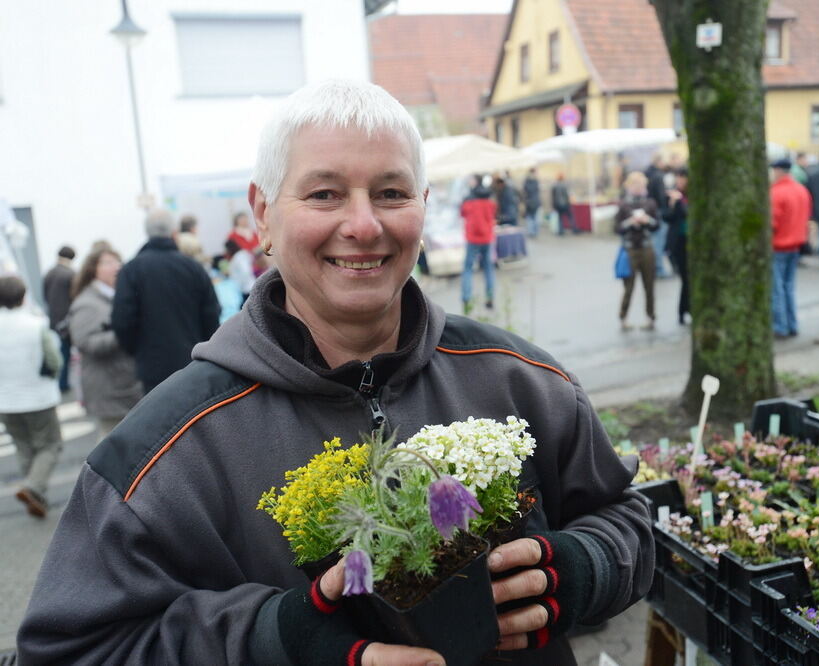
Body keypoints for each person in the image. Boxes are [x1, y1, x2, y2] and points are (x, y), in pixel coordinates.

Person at [19, 79, 652, 666]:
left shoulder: (518, 379)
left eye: (391, 193)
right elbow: (72, 648)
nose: (363, 225)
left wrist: (583, 569)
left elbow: (630, 523)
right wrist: (278, 637)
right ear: (263, 214)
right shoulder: (165, 452)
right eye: (324, 194)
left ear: (423, 210)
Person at [111, 209, 221, 393]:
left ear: (147, 234)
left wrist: (137, 351)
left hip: (152, 365)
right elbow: (211, 313)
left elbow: (122, 320)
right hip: (193, 361)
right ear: (174, 233)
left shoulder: (131, 270)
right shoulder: (193, 268)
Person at [0, 274, 63, 519]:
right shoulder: (35, 324)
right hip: (37, 396)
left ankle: (36, 495)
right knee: (50, 445)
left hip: (5, 399)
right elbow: (53, 360)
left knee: (24, 447)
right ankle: (33, 487)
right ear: (23, 296)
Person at [66, 247, 143, 440]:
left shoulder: (116, 296)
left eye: (117, 261)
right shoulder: (87, 303)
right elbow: (85, 342)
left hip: (124, 384)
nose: (116, 266)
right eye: (108, 262)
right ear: (94, 269)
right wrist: (123, 333)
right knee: (112, 446)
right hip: (108, 387)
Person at [770, 159, 812, 339]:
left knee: (777, 288)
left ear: (779, 171)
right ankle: (792, 324)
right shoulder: (801, 190)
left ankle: (780, 326)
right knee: (788, 287)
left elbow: (772, 222)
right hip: (795, 244)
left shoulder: (776, 193)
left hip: (778, 245)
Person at [614, 171, 660, 332]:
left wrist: (647, 220)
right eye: (635, 184)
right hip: (630, 249)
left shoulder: (650, 203)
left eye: (641, 185)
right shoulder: (624, 205)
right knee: (629, 287)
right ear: (629, 186)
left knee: (649, 285)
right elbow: (617, 228)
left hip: (646, 247)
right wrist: (630, 222)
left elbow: (657, 225)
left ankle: (651, 316)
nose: (638, 188)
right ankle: (623, 317)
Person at [460, 176, 497, 314]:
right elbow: (494, 213)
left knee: (468, 269)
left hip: (473, 239)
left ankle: (466, 298)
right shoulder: (490, 200)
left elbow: (462, 213)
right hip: (487, 238)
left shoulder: (469, 200)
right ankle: (490, 297)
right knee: (488, 269)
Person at [42, 245, 75, 392]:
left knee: (57, 352)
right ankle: (63, 384)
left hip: (53, 320)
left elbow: (45, 297)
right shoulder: (70, 274)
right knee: (66, 353)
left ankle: (57, 382)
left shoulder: (48, 273)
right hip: (67, 321)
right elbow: (75, 298)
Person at [664, 168, 690, 325]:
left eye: (682, 178)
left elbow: (687, 212)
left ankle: (686, 309)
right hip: (678, 242)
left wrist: (679, 201)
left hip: (690, 241)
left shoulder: (688, 197)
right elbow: (667, 216)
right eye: (678, 178)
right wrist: (673, 204)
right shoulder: (674, 195)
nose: (680, 181)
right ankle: (683, 311)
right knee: (685, 278)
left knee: (689, 279)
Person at [643, 155, 670, 278]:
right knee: (658, 241)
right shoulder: (658, 176)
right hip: (658, 211)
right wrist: (666, 209)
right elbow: (660, 195)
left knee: (654, 240)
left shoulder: (647, 174)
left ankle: (653, 267)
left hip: (649, 209)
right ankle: (658, 269)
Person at [225, 238, 257, 302]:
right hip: (247, 287)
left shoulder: (239, 257)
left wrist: (241, 283)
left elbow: (246, 271)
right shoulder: (242, 255)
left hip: (247, 288)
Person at [522, 168, 541, 237]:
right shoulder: (535, 181)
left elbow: (525, 191)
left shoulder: (527, 181)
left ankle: (531, 231)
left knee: (530, 217)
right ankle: (534, 231)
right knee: (534, 217)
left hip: (529, 201)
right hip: (535, 201)